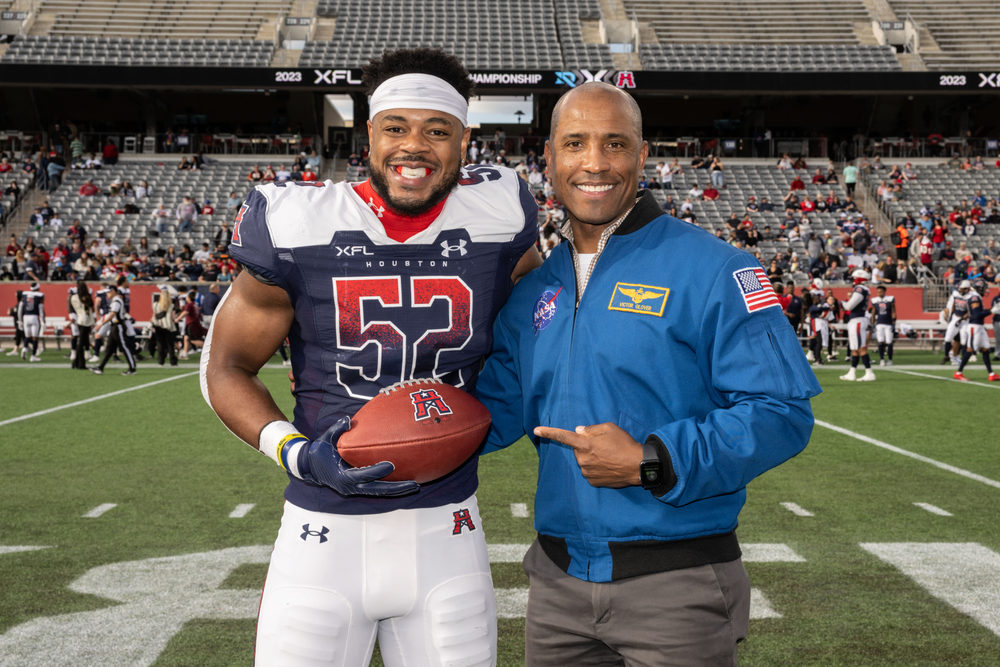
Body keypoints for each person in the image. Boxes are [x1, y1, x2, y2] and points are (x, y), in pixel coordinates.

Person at [201, 48, 541, 667]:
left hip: (450, 529)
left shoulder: (502, 212)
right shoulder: (296, 220)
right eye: (396, 128)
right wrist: (296, 452)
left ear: (465, 140)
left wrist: (494, 414)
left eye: (437, 130)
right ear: (369, 136)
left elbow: (534, 331)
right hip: (322, 534)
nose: (415, 146)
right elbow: (225, 367)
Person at [474, 81, 820, 667]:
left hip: (677, 583)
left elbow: (782, 412)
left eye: (615, 144)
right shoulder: (535, 287)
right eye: (575, 143)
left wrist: (653, 460)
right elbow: (493, 411)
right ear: (550, 160)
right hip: (556, 587)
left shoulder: (717, 268)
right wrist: (387, 403)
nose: (594, 163)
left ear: (642, 155)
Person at [955, 280, 998, 382]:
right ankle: (958, 372)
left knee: (986, 349)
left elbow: (980, 311)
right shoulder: (974, 297)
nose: (985, 290)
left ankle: (991, 374)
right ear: (979, 288)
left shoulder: (974, 295)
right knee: (970, 350)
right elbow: (977, 314)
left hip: (980, 327)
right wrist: (992, 312)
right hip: (975, 326)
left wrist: (991, 309)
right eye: (984, 288)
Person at [89, 285, 136, 375]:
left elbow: (112, 314)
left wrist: (101, 324)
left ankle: (132, 368)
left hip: (118, 326)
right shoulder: (115, 300)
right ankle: (100, 368)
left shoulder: (116, 301)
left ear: (113, 291)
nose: (107, 294)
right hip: (114, 326)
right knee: (109, 348)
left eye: (108, 292)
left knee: (124, 347)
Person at [839, 269, 876, 381]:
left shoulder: (860, 288)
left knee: (860, 348)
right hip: (855, 320)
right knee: (854, 348)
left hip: (858, 321)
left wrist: (842, 303)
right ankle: (852, 373)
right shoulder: (863, 289)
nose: (853, 281)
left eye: (854, 278)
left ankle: (869, 373)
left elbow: (849, 306)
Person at [941, 280, 972, 365]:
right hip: (955, 318)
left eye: (963, 289)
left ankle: (963, 359)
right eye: (960, 289)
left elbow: (971, 310)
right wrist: (949, 313)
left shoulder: (970, 296)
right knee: (947, 339)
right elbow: (952, 305)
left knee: (963, 341)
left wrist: (965, 317)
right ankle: (946, 357)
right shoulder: (955, 294)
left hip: (965, 321)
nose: (961, 290)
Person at [69, 280, 95, 369]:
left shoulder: (73, 297)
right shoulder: (85, 297)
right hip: (86, 321)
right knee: (81, 343)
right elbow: (87, 310)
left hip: (79, 319)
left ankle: (75, 363)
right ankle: (81, 364)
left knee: (81, 342)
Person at [151, 285, 179, 367]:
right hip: (169, 327)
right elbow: (173, 317)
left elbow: (154, 316)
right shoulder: (172, 306)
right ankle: (173, 362)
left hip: (158, 326)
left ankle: (161, 362)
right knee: (170, 345)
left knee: (160, 345)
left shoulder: (155, 304)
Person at [17, 283, 46, 362]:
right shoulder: (40, 295)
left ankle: (24, 348)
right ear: (38, 288)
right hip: (34, 317)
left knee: (27, 336)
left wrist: (20, 321)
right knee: (35, 337)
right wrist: (43, 321)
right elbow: (41, 310)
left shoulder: (25, 294)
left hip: (25, 317)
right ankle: (33, 356)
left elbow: (20, 309)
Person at [870, 285, 896, 366]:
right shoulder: (874, 300)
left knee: (889, 342)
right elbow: (873, 312)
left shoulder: (890, 299)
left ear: (885, 291)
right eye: (878, 292)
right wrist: (872, 324)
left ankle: (890, 360)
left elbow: (894, 311)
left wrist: (894, 322)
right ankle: (882, 359)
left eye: (881, 291)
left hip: (888, 323)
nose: (879, 293)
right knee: (880, 341)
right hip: (879, 323)